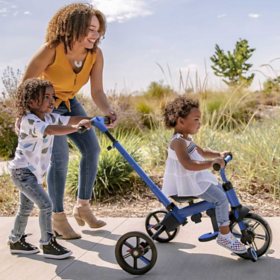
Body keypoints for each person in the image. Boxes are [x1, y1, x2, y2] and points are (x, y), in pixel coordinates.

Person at [20, 3, 117, 239]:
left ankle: (82, 206)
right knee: (60, 158)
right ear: (73, 28)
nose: (96, 35)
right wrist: (25, 117)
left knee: (92, 149)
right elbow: (25, 86)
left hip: (70, 104)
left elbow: (97, 92)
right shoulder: (52, 49)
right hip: (47, 108)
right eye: (90, 30)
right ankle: (57, 217)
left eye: (98, 30)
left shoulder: (95, 55)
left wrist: (108, 111)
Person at [8, 78, 93, 258]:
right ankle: (47, 243)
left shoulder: (49, 116)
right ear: (31, 102)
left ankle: (16, 240)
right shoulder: (29, 120)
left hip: (31, 173)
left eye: (52, 97)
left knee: (25, 208)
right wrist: (76, 129)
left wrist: (92, 120)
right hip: (23, 172)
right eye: (46, 97)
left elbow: (69, 119)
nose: (51, 101)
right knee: (46, 205)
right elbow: (51, 130)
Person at [162, 96, 247, 254]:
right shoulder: (177, 142)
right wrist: (211, 164)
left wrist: (218, 154)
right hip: (188, 183)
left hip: (195, 179)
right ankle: (224, 235)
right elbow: (187, 164)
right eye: (196, 119)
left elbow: (202, 152)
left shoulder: (186, 139)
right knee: (221, 198)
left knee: (220, 192)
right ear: (181, 121)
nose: (199, 123)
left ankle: (223, 221)